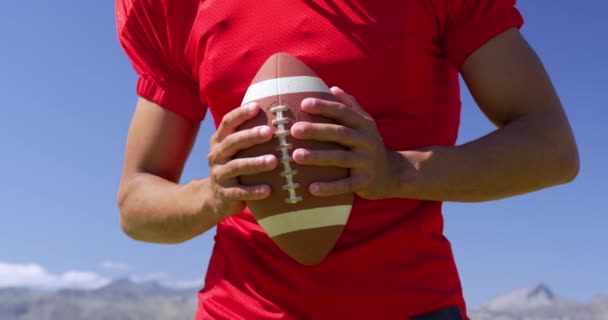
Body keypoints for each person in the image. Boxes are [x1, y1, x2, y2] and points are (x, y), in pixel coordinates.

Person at [114, 1, 579, 319]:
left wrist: (398, 171)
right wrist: (213, 195)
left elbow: (550, 147)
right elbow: (136, 205)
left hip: (410, 306)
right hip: (241, 307)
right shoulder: (176, 7)